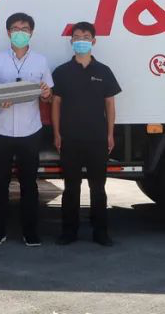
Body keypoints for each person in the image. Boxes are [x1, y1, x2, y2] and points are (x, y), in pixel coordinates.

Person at [0, 12, 53, 247]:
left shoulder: (40, 61)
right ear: (8, 32)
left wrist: (46, 94)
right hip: (0, 129)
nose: (19, 33)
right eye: (15, 29)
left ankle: (30, 232)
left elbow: (48, 96)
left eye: (24, 29)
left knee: (29, 184)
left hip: (30, 130)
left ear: (31, 32)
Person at [51, 21, 120, 246]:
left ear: (94, 41)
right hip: (70, 139)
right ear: (71, 41)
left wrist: (110, 134)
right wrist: (57, 133)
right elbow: (56, 104)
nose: (81, 41)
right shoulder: (61, 72)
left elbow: (110, 104)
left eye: (86, 37)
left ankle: (101, 232)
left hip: (97, 139)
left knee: (98, 188)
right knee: (71, 188)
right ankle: (69, 232)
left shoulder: (104, 71)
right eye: (77, 37)